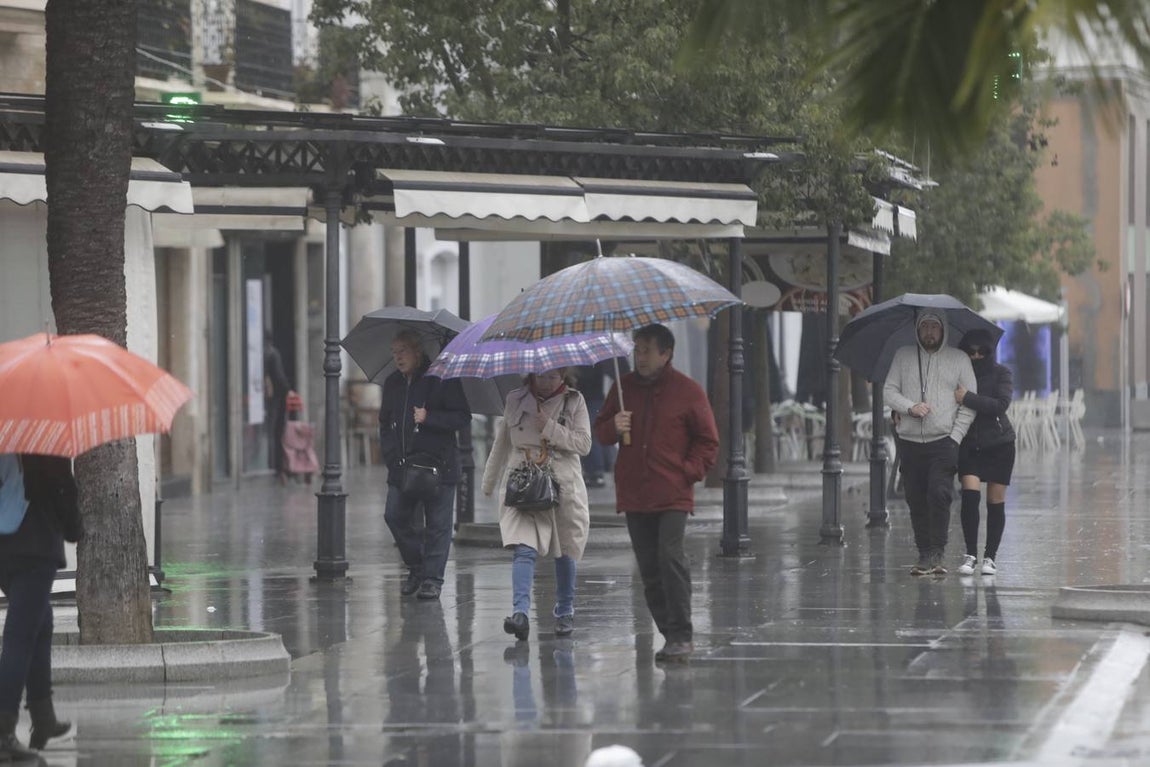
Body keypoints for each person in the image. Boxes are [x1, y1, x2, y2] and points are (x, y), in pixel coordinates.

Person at [593, 324, 719, 663]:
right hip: (635, 490)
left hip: (673, 492)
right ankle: (669, 635)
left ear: (667, 354)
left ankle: (682, 633)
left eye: (648, 349)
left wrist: (687, 472)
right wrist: (613, 427)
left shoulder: (688, 391)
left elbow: (707, 441)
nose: (641, 356)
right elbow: (601, 433)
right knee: (649, 567)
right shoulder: (623, 389)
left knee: (670, 556)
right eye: (637, 348)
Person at [482, 369, 591, 641]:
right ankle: (520, 613)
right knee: (523, 547)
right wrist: (489, 482)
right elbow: (502, 443)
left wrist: (550, 428)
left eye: (553, 377)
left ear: (564, 376)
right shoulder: (515, 399)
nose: (545, 382)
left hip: (562, 483)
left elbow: (584, 443)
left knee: (566, 550)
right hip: (523, 481)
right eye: (541, 376)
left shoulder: (574, 401)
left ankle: (565, 610)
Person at [378, 329, 470, 601]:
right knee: (394, 516)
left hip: (440, 466)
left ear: (417, 351)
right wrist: (391, 457)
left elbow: (462, 417)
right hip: (403, 467)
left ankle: (432, 579)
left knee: (438, 525)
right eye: (394, 352)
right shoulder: (393, 383)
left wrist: (430, 417)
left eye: (403, 351)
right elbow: (384, 423)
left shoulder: (441, 377)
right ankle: (417, 567)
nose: (398, 358)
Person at [883, 311, 977, 576]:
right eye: (924, 326)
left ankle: (938, 551)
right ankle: (923, 552)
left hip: (943, 442)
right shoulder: (903, 356)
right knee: (915, 498)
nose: (929, 331)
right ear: (917, 329)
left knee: (939, 493)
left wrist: (955, 437)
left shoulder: (959, 359)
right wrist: (910, 407)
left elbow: (970, 401)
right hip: (910, 442)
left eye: (934, 326)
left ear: (943, 329)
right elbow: (889, 391)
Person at [0, 454, 80, 760]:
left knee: (40, 620)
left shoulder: (6, 430)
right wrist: (75, 528)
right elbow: (61, 486)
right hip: (34, 545)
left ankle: (43, 714)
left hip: (4, 547)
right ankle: (4, 730)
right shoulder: (43, 437)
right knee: (20, 635)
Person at [953, 328, 1016, 576]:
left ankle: (990, 557)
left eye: (982, 351)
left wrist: (967, 397)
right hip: (969, 443)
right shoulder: (959, 375)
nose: (976, 356)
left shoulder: (1003, 373)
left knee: (995, 500)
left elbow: (1000, 405)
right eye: (971, 352)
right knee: (969, 494)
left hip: (1000, 443)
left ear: (990, 351)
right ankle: (970, 554)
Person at [575, 358, 628, 488]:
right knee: (589, 433)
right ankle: (597, 467)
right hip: (586, 398)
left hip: (593, 398)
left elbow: (610, 372)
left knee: (592, 433)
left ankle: (596, 471)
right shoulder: (584, 357)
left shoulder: (593, 359)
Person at [263, 332, 295, 483]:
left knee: (270, 432)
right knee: (275, 432)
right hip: (274, 400)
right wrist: (288, 390)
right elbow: (279, 375)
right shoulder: (272, 354)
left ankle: (275, 466)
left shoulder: (259, 353)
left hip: (265, 400)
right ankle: (276, 467)